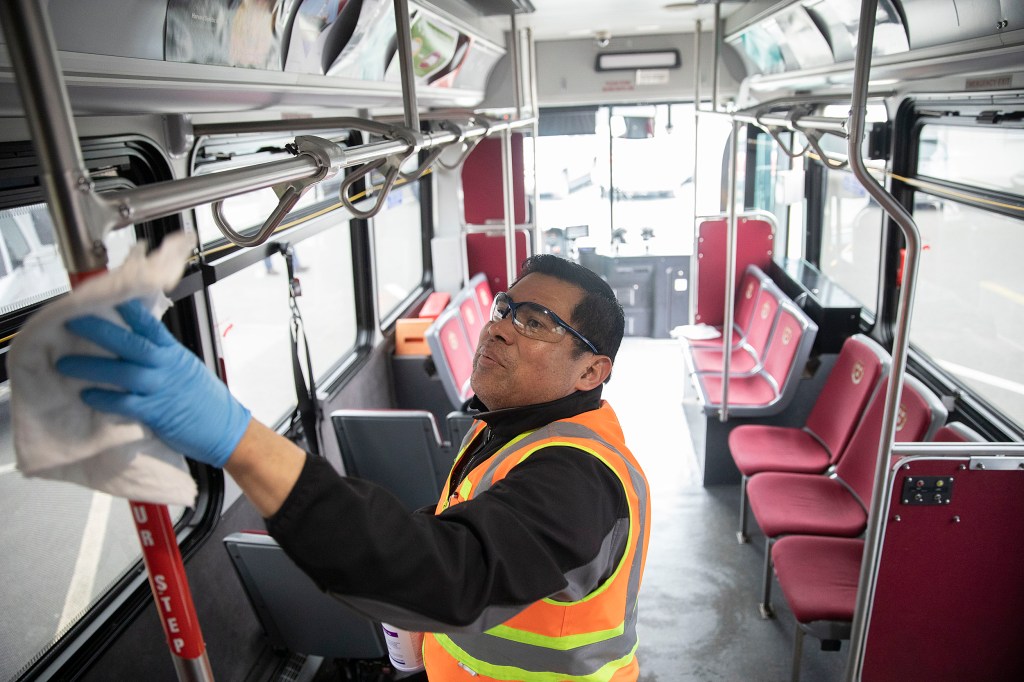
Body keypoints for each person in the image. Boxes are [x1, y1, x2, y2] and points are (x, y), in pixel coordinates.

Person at [56, 253, 651, 681]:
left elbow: (458, 575)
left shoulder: (580, 476)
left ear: (590, 372)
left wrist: (238, 440)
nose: (498, 325)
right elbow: (465, 527)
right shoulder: (509, 430)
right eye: (505, 307)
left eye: (536, 323)